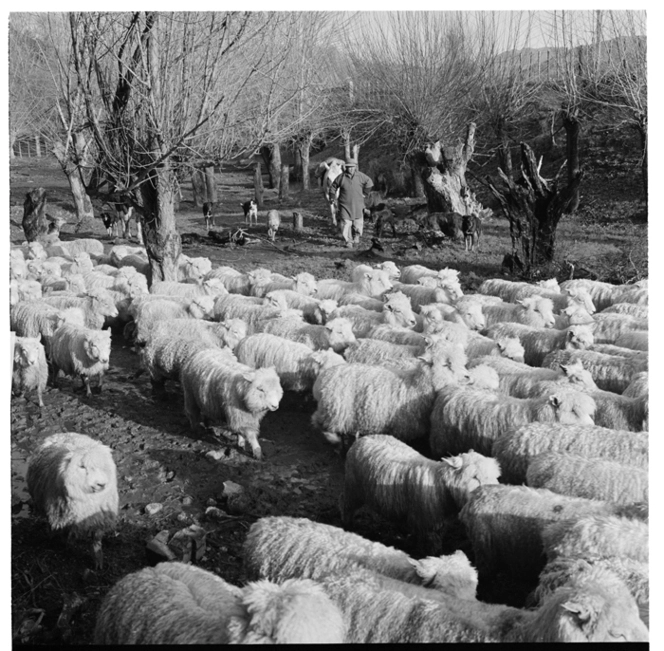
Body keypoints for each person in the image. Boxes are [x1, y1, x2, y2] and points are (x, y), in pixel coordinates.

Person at [330, 158, 374, 248]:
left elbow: (369, 182)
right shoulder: (341, 177)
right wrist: (332, 197)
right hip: (344, 205)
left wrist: (365, 193)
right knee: (346, 223)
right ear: (346, 167)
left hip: (358, 204)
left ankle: (356, 237)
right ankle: (348, 241)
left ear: (355, 167)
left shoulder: (361, 176)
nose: (350, 169)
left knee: (358, 223)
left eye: (352, 167)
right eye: (348, 167)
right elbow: (333, 187)